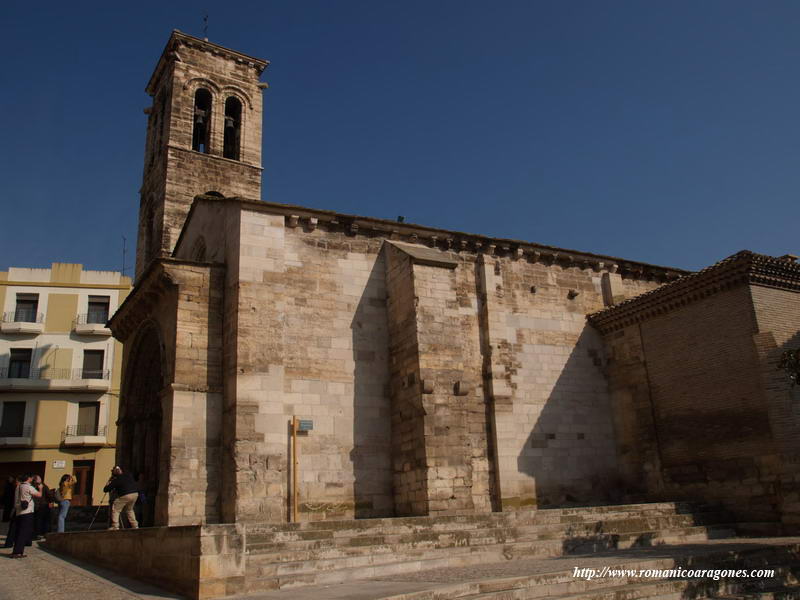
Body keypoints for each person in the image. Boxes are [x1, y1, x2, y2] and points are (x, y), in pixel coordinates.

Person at [10, 474, 42, 558]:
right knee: (23, 532)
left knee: (18, 532)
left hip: (19, 511)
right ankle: (17, 552)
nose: (32, 479)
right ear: (28, 479)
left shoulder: (18, 487)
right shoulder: (29, 487)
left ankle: (16, 551)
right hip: (27, 511)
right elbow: (39, 495)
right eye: (31, 477)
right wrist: (40, 489)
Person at [31, 475, 52, 539]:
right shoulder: (42, 486)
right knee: (41, 520)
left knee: (39, 520)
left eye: (35, 479)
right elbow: (49, 495)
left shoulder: (40, 486)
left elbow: (48, 495)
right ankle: (40, 533)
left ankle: (38, 533)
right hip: (42, 505)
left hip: (41, 505)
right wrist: (50, 501)